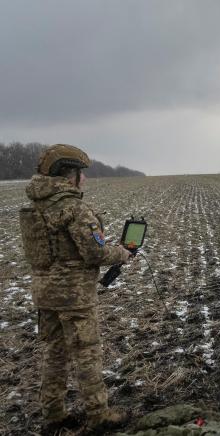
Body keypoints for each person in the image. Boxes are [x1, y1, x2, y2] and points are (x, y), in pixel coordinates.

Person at [21, 144, 132, 434]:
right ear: (69, 175)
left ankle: (53, 414)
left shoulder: (35, 206)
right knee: (87, 353)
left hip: (44, 294)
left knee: (53, 353)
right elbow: (95, 254)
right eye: (81, 173)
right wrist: (120, 253)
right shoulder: (74, 208)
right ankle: (98, 415)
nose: (84, 179)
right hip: (74, 296)